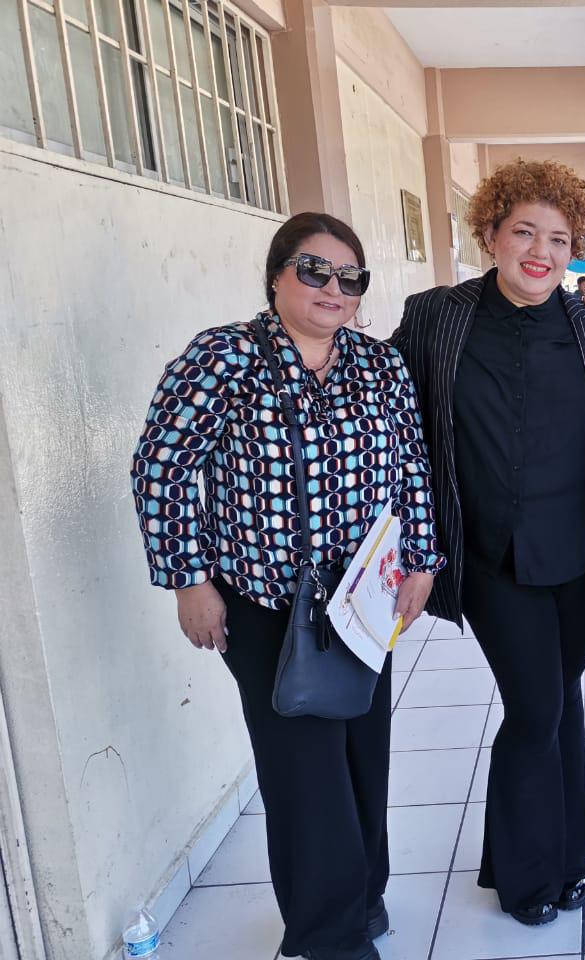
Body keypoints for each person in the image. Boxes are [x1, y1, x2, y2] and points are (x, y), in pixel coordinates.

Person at [130, 213, 444, 960]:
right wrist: (188, 582)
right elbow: (161, 466)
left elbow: (411, 469)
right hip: (268, 608)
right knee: (307, 782)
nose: (334, 289)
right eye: (314, 271)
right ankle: (328, 939)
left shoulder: (378, 365)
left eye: (350, 278)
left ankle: (363, 902)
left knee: (364, 757)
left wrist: (423, 560)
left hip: (363, 606)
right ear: (276, 275)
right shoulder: (226, 357)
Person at [390, 159, 585, 926]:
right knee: (535, 709)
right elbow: (384, 404)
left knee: (566, 704)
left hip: (580, 558)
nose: (541, 250)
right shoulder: (435, 317)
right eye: (524, 230)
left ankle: (561, 860)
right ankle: (528, 878)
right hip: (491, 556)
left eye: (559, 238)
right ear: (489, 234)